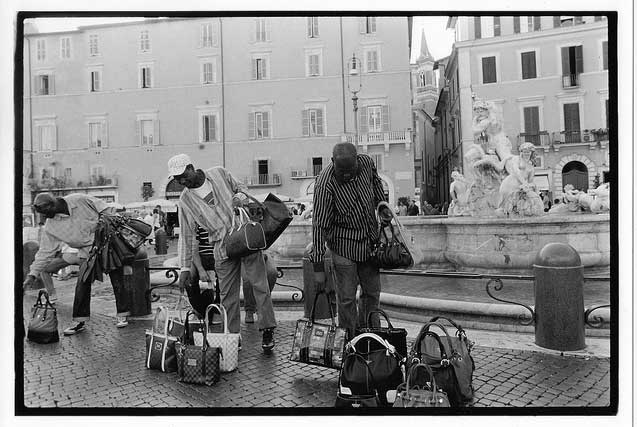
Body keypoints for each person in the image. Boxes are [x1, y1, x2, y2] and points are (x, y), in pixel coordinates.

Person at [168, 153, 277, 353]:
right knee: (227, 296)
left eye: (184, 175)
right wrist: (184, 267)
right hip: (221, 247)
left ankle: (268, 329)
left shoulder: (219, 173)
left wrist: (239, 197)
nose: (182, 181)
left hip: (245, 237)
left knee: (260, 284)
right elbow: (186, 235)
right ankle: (233, 336)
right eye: (177, 179)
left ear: (192, 167)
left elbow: (242, 188)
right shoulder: (184, 201)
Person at [310, 142, 391, 339]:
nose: (347, 175)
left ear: (357, 160)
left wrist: (382, 207)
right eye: (342, 170)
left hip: (369, 243)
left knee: (372, 293)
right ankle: (350, 340)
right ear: (332, 162)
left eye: (351, 170)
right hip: (343, 246)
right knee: (346, 299)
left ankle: (372, 335)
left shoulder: (367, 163)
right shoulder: (324, 184)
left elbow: (376, 183)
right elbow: (319, 226)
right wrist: (319, 269)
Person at [22, 193, 131, 335]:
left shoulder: (79, 200)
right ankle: (79, 320)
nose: (43, 217)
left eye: (45, 213)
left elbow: (106, 209)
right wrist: (32, 275)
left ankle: (122, 314)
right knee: (82, 284)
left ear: (53, 205)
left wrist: (104, 224)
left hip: (107, 245)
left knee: (117, 280)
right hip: (87, 252)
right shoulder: (50, 227)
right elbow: (44, 252)